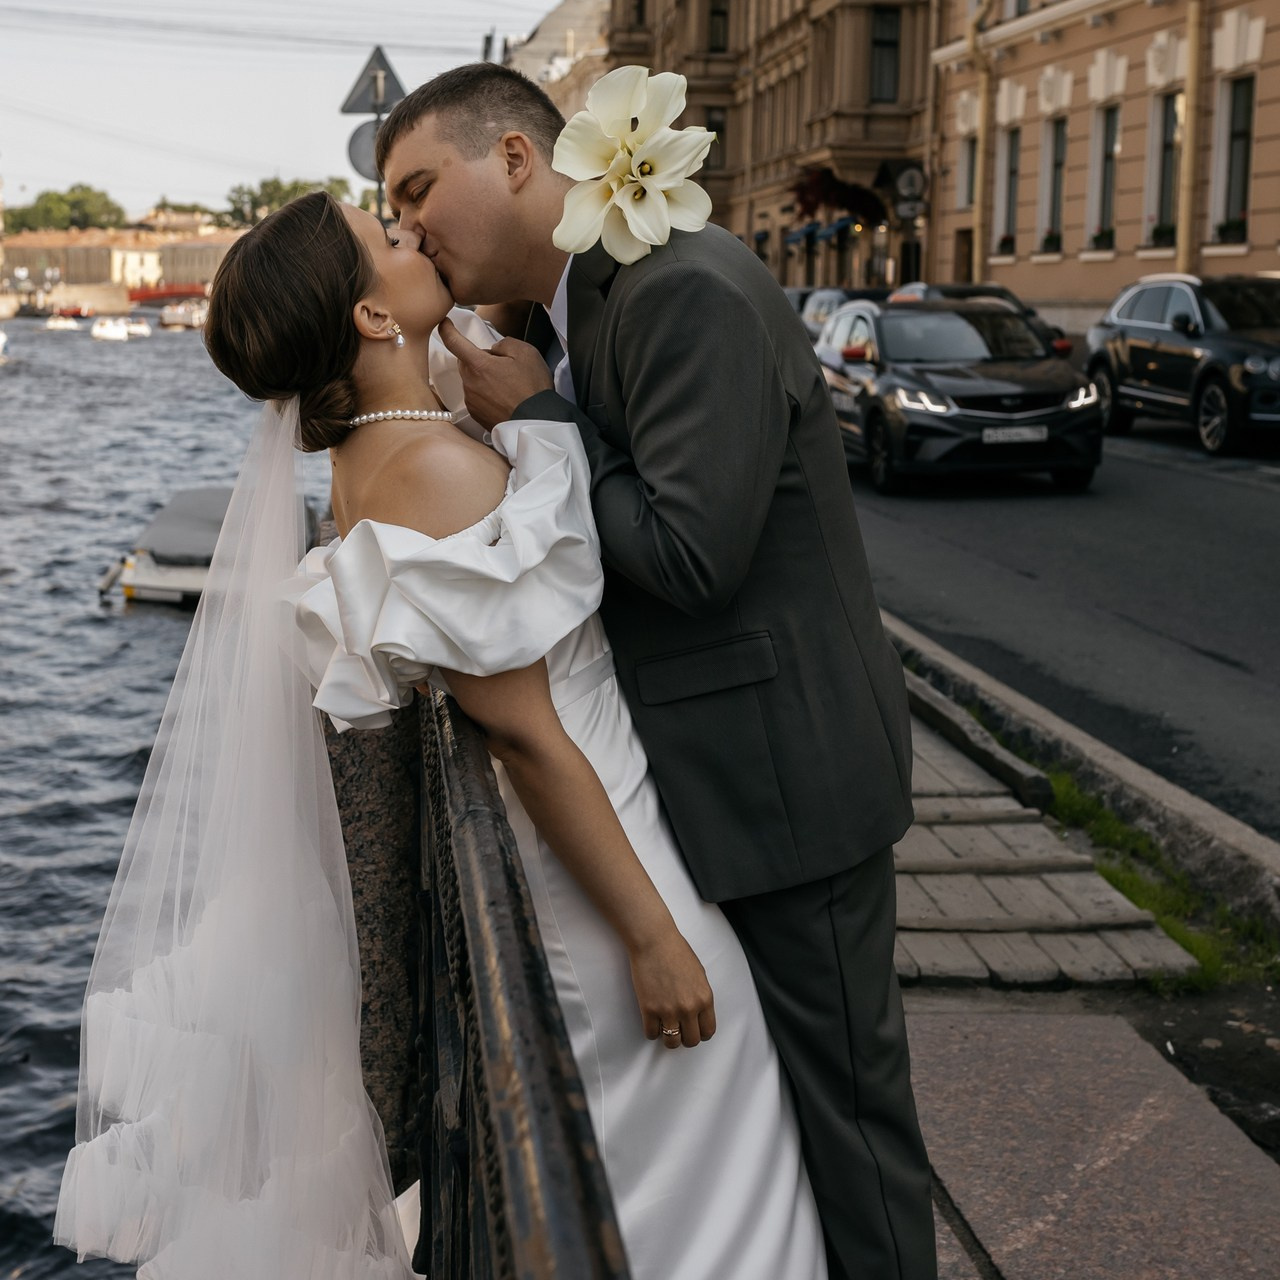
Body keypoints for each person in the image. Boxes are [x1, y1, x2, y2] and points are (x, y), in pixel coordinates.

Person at [55, 190, 827, 1280]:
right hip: (595, 833)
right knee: (702, 1112)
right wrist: (652, 934)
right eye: (385, 241)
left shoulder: (394, 450)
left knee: (687, 1141)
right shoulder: (435, 474)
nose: (408, 233)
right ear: (372, 319)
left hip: (596, 806)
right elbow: (519, 733)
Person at [378, 62, 937, 1280]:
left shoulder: (680, 286)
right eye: (392, 208)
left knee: (852, 1132)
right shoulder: (566, 314)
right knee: (795, 1119)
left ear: (517, 159)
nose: (408, 225)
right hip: (701, 789)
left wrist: (539, 424)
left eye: (420, 187)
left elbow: (691, 557)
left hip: (785, 787)